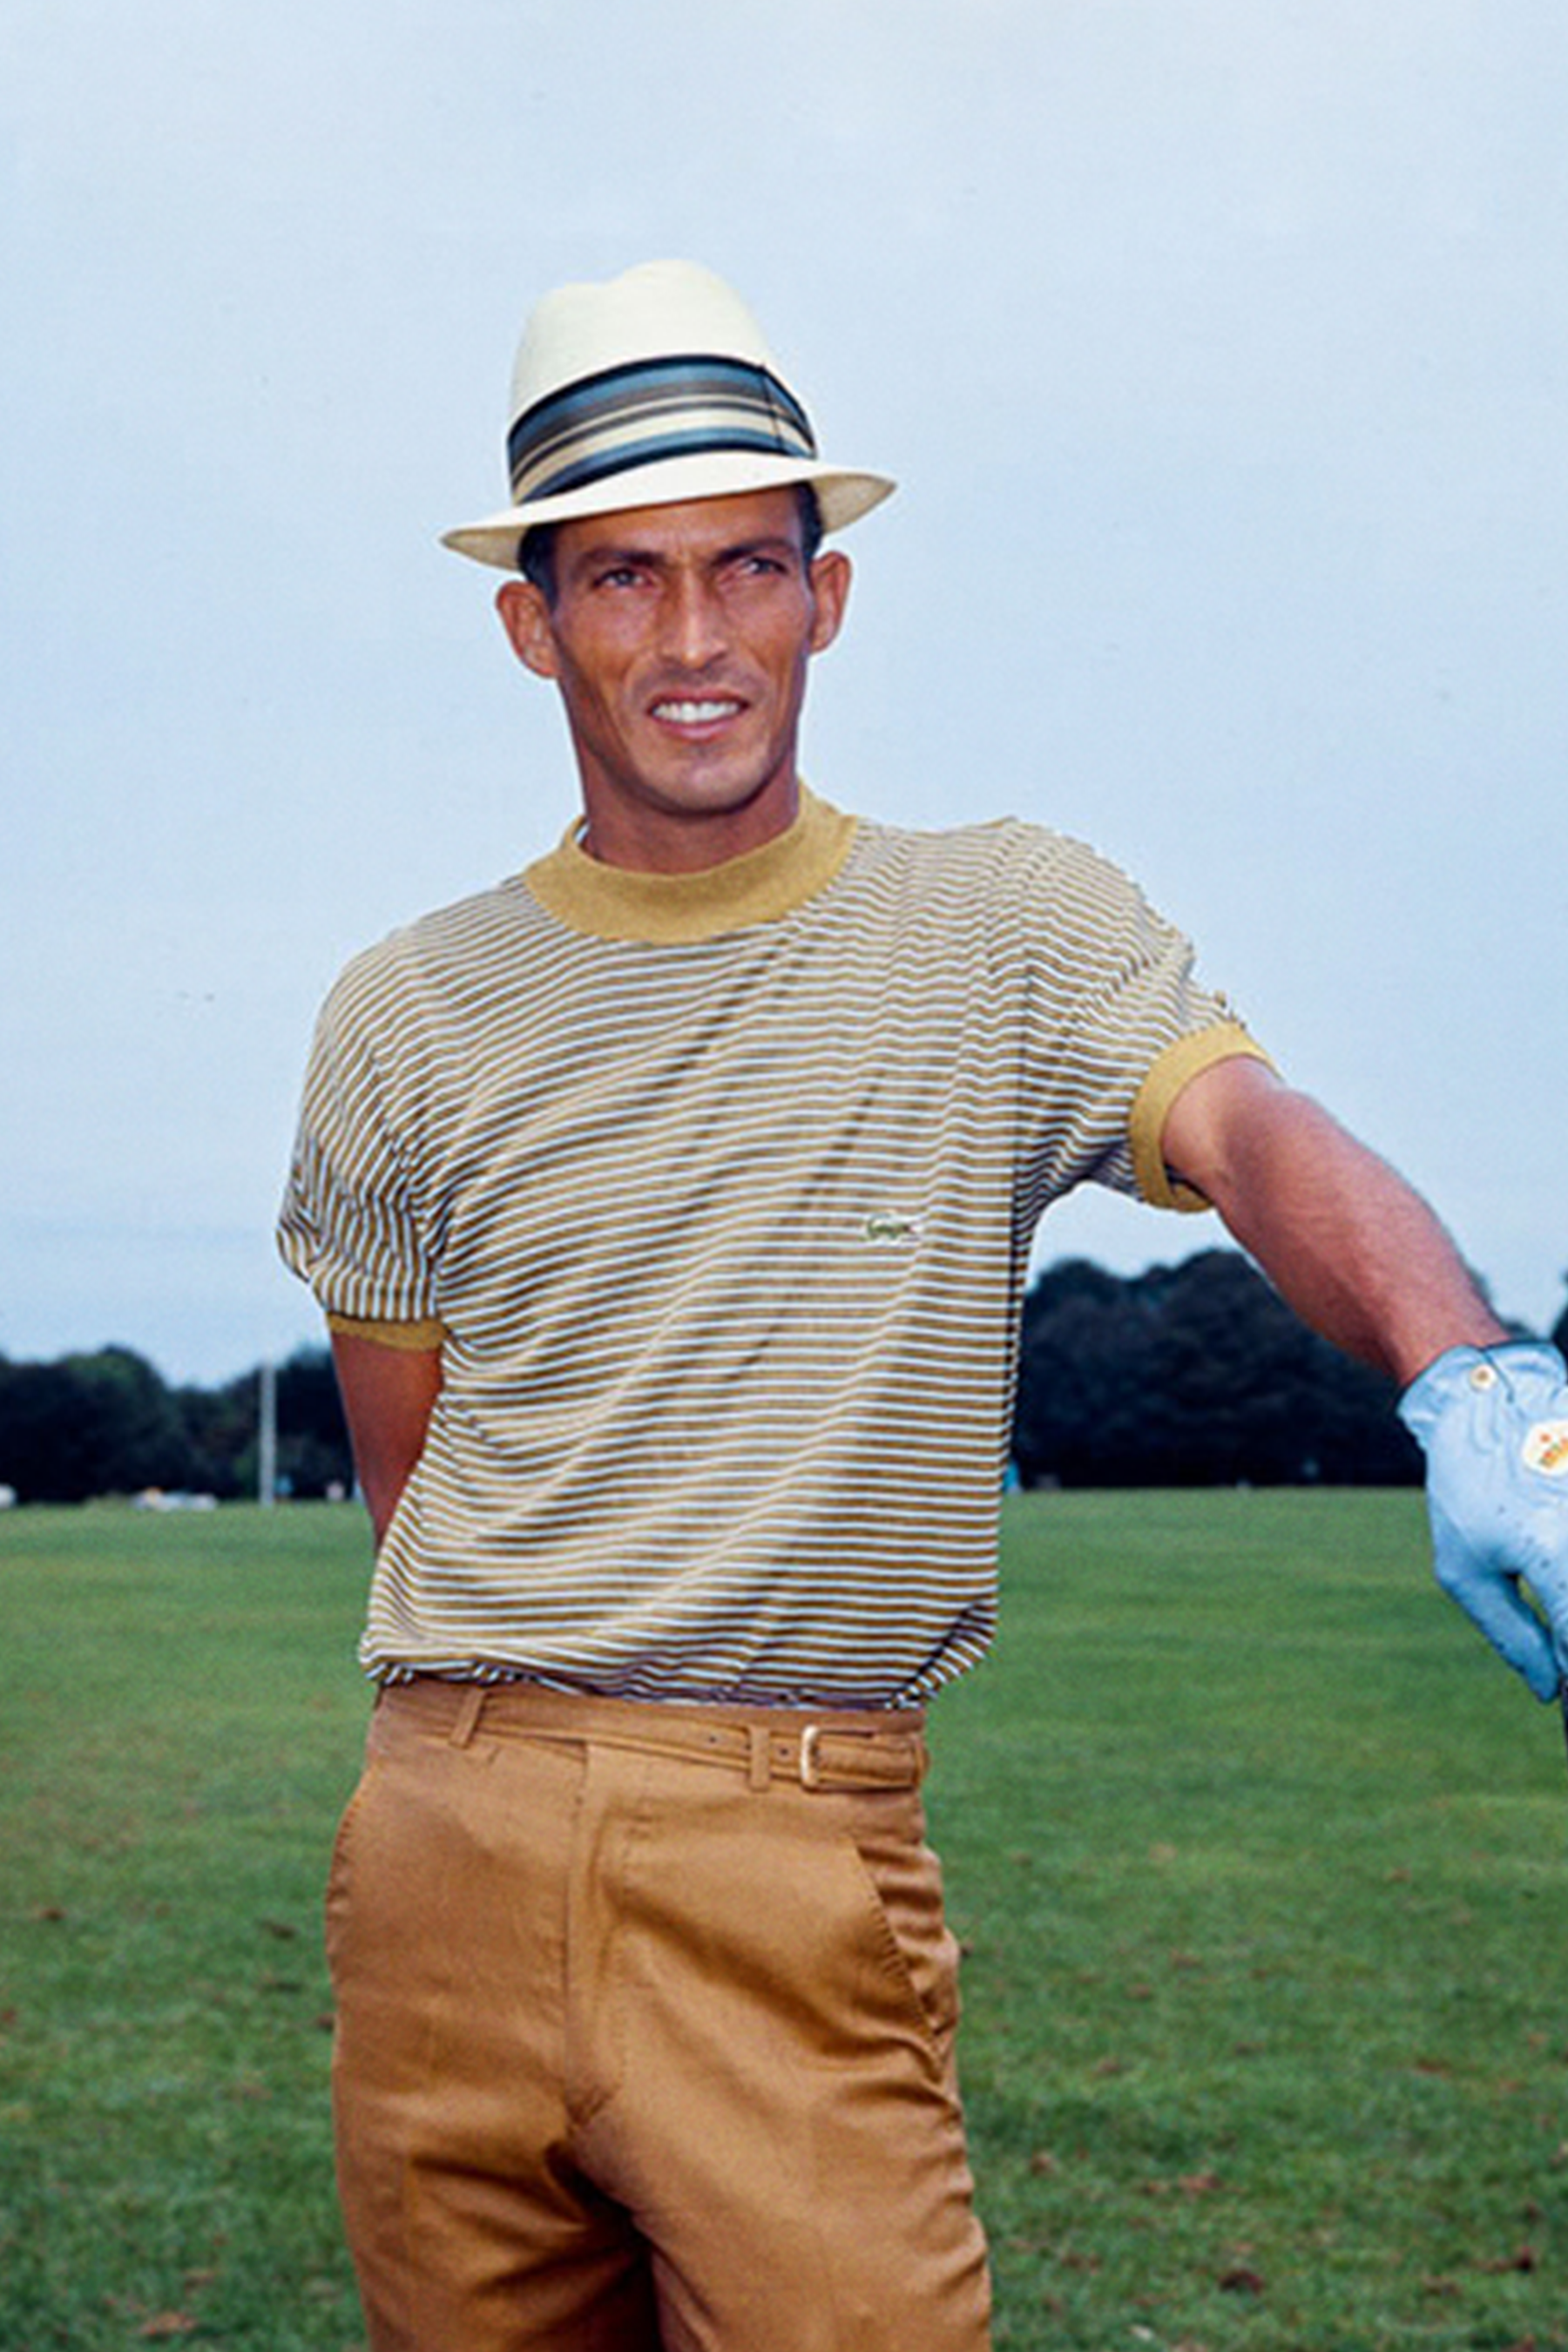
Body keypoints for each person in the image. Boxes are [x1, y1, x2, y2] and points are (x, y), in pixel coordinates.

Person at [278, 259, 1568, 2352]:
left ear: (828, 595)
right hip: (445, 1849)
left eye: (745, 570)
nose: (693, 642)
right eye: (621, 583)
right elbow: (402, 1476)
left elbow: (1250, 1135)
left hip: (789, 1856)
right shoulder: (401, 1011)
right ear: (532, 625)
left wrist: (1476, 1373)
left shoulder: (1004, 925)